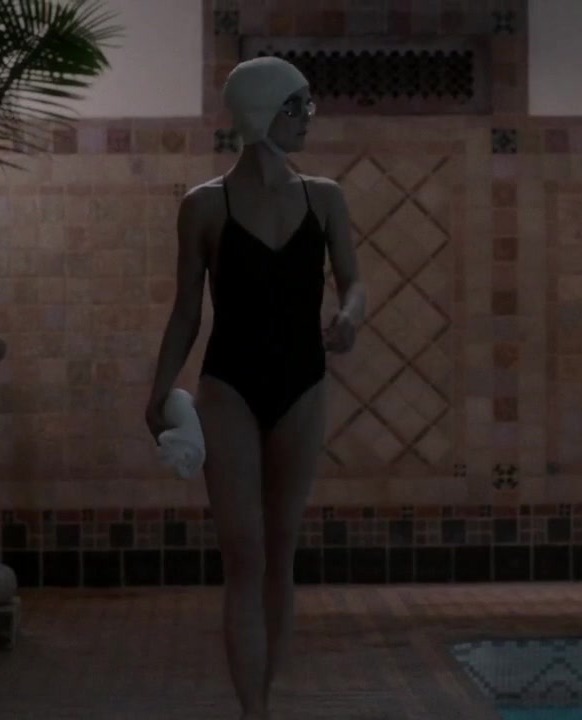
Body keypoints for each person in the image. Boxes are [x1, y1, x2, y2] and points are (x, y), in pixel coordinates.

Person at [144, 56, 366, 720]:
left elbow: (353, 280)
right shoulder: (203, 206)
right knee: (244, 554)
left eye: (307, 105)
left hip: (303, 385)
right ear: (262, 111)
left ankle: (263, 699)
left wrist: (350, 316)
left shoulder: (324, 197)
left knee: (280, 549)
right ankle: (253, 712)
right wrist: (158, 391)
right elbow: (187, 311)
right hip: (228, 387)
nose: (307, 118)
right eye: (297, 105)